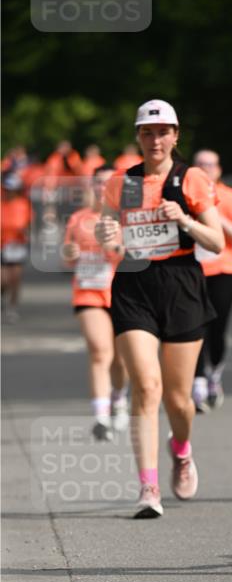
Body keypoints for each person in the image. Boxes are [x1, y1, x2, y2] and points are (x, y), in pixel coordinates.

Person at [96, 99, 223, 518]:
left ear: (175, 135)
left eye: (163, 131)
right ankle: (148, 487)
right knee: (146, 386)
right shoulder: (123, 183)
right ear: (138, 136)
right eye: (148, 132)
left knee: (178, 399)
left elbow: (217, 242)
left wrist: (183, 219)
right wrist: (105, 232)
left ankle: (181, 449)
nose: (155, 139)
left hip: (182, 285)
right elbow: (111, 237)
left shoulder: (191, 178)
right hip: (135, 284)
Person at [62, 165, 129, 440]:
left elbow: (137, 257)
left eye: (109, 183)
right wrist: (70, 252)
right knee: (100, 351)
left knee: (121, 359)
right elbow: (67, 258)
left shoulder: (127, 220)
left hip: (123, 293)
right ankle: (100, 417)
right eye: (98, 183)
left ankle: (118, 399)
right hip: (89, 291)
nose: (103, 188)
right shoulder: (78, 219)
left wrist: (113, 248)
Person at [191, 149, 232, 411]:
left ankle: (214, 374)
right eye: (200, 164)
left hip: (224, 269)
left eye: (210, 165)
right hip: (192, 269)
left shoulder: (230, 196)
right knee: (195, 324)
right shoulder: (184, 194)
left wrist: (213, 213)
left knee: (217, 326)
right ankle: (199, 380)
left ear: (219, 170)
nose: (205, 169)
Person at [1, 171, 31, 322]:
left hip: (17, 245)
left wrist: (26, 231)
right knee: (3, 280)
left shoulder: (23, 204)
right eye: (8, 189)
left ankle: (12, 307)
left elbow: (29, 224)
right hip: (2, 244)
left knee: (15, 278)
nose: (10, 192)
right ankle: (3, 298)